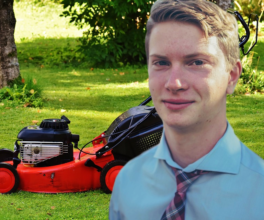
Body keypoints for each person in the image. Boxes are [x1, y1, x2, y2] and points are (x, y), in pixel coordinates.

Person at [109, 0, 264, 219]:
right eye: (161, 63)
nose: (174, 83)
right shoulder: (128, 185)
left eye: (197, 62)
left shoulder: (259, 193)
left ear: (231, 76)